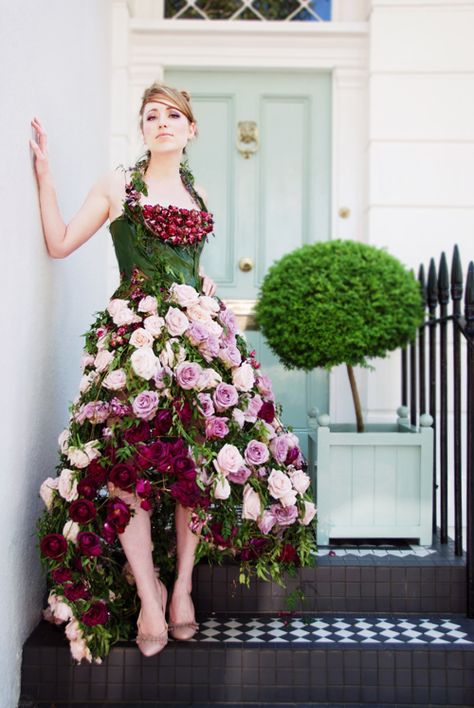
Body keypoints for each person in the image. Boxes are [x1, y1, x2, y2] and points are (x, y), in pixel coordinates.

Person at [32, 82, 317, 663]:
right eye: (151, 115)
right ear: (142, 129)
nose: (161, 123)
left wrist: (203, 284)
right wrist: (45, 176)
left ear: (190, 131)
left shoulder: (197, 190)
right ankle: (148, 596)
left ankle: (182, 585)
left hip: (195, 339)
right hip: (131, 340)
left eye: (173, 116)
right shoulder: (118, 184)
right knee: (126, 470)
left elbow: (188, 264)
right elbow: (60, 243)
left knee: (195, 467)